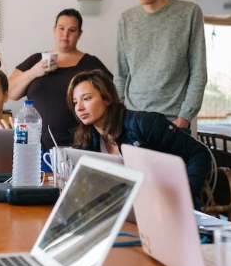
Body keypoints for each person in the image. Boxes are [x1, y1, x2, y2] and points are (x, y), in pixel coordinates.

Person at [67, 69, 212, 201]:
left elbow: (199, 153)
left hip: (165, 205)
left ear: (107, 99)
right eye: (75, 102)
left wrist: (183, 195)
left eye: (86, 99)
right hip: (127, 208)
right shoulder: (87, 139)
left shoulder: (144, 123)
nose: (79, 108)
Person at [8, 8, 112, 169]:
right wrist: (35, 71)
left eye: (72, 30)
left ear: (79, 34)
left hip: (82, 146)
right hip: (37, 148)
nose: (66, 34)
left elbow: (111, 98)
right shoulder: (36, 60)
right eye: (61, 28)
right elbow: (10, 93)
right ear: (54, 29)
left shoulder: (91, 63)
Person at [115, 0, 207, 129]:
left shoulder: (188, 13)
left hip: (172, 121)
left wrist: (185, 117)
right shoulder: (127, 19)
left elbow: (198, 71)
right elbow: (120, 73)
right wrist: (119, 114)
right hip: (132, 118)